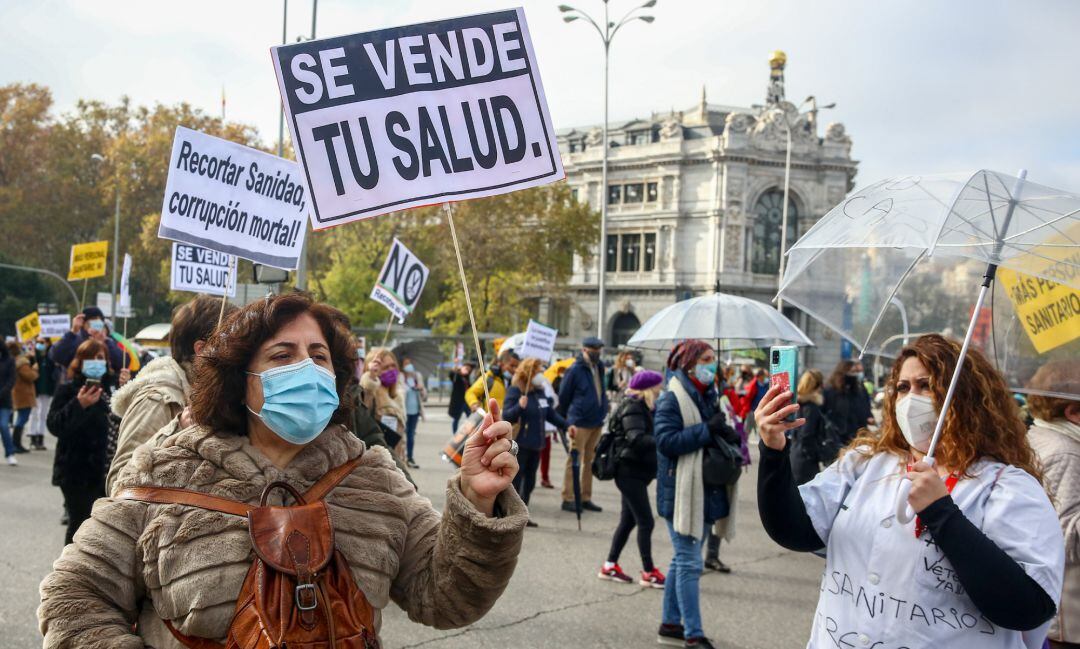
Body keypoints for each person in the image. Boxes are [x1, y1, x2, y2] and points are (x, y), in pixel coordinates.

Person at [39, 292, 527, 647]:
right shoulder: (165, 471)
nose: (307, 368)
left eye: (318, 356)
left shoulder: (373, 476)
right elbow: (73, 598)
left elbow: (443, 598)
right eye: (282, 356)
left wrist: (478, 501)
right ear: (240, 380)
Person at [756, 334, 1064, 648]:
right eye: (903, 387)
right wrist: (773, 451)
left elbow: (1028, 607)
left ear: (964, 396)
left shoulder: (1008, 487)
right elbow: (795, 530)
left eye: (925, 385)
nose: (910, 398)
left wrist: (942, 514)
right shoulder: (866, 464)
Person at [654, 340, 739, 649]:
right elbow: (665, 442)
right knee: (690, 563)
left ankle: (669, 623)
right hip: (680, 492)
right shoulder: (671, 398)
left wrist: (723, 431)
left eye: (713, 359)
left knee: (683, 560)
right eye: (706, 359)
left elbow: (712, 431)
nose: (711, 365)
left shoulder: (709, 395)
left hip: (704, 490)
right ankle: (693, 634)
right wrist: (707, 429)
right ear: (689, 364)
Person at [106, 296, 237, 493]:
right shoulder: (158, 398)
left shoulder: (212, 393)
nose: (238, 351)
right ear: (201, 350)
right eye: (231, 342)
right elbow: (118, 483)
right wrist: (177, 429)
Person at [1026, 360, 1080, 649]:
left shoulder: (1041, 436)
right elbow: (1065, 534)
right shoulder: (1066, 452)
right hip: (1070, 617)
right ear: (1073, 412)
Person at [599, 369, 665, 588]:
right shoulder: (633, 406)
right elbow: (636, 438)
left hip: (636, 472)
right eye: (658, 386)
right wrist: (663, 439)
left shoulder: (645, 407)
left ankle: (609, 565)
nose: (660, 389)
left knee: (629, 521)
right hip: (629, 472)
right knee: (645, 521)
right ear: (648, 388)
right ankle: (648, 572)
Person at [46, 339, 116, 543]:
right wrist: (79, 405)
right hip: (76, 473)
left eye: (100, 358)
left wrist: (125, 389)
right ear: (80, 362)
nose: (96, 362)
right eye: (90, 358)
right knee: (79, 526)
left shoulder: (109, 391)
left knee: (99, 529)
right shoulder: (68, 390)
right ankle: (68, 572)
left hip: (104, 470)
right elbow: (55, 425)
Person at [703, 369, 748, 574]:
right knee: (706, 514)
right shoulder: (703, 399)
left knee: (721, 511)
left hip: (725, 460)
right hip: (710, 462)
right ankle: (695, 557)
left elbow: (735, 421)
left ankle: (712, 555)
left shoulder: (723, 398)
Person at [558, 337, 608, 513]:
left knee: (590, 461)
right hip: (579, 422)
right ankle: (568, 497)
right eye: (594, 349)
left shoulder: (599, 367)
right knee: (574, 460)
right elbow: (564, 396)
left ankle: (586, 497)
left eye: (599, 349)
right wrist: (566, 421)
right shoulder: (575, 369)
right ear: (585, 350)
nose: (597, 352)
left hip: (596, 420)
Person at [787, 369, 838, 485]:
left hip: (794, 454)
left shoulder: (796, 404)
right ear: (818, 386)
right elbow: (806, 435)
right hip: (805, 461)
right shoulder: (811, 408)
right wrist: (816, 454)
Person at [360, 347, 407, 457]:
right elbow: (363, 411)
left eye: (393, 365)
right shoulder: (371, 391)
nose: (391, 370)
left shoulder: (396, 395)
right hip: (377, 457)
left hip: (395, 456)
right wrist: (371, 376)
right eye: (386, 367)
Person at [49, 306, 125, 374]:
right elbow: (55, 355)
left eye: (99, 321)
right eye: (93, 320)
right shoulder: (74, 339)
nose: (96, 324)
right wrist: (72, 332)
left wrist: (105, 341)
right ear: (83, 323)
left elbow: (122, 363)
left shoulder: (109, 341)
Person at [822, 358, 874, 445]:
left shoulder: (858, 390)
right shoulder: (830, 391)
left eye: (855, 372)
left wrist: (869, 417)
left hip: (857, 436)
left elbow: (865, 407)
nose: (854, 375)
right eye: (851, 372)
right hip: (837, 436)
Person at [465, 348, 520, 413]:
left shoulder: (518, 384)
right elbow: (470, 392)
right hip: (489, 420)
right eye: (512, 366)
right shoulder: (488, 378)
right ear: (501, 364)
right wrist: (474, 404)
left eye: (517, 366)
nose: (515, 369)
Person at [10, 340, 38, 454]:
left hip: (17, 391)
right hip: (24, 392)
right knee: (22, 418)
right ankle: (16, 443)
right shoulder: (22, 364)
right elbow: (30, 376)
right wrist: (35, 369)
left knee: (21, 417)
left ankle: (15, 443)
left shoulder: (13, 361)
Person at [30, 338, 57, 451]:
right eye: (39, 343)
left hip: (46, 389)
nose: (41, 345)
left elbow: (55, 373)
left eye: (43, 342)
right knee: (34, 414)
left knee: (43, 414)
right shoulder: (32, 357)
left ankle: (40, 437)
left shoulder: (51, 357)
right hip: (34, 389)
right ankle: (33, 436)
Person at [402, 356, 426, 469]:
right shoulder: (400, 377)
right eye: (406, 363)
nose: (408, 366)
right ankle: (402, 458)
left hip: (415, 410)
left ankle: (410, 457)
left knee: (411, 435)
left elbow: (424, 395)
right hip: (403, 411)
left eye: (409, 363)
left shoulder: (417, 376)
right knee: (402, 436)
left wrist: (421, 389)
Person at [448, 360, 474, 435]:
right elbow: (451, 375)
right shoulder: (457, 376)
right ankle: (455, 434)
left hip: (466, 401)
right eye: (466, 368)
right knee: (456, 419)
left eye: (469, 369)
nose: (468, 370)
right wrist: (456, 368)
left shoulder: (466, 377)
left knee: (470, 417)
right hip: (459, 401)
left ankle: (469, 432)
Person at [0, 342, 16, 465]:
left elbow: (12, 380)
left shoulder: (9, 361)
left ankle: (10, 453)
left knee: (4, 426)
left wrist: (2, 393)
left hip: (4, 400)